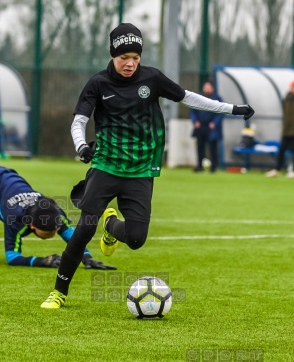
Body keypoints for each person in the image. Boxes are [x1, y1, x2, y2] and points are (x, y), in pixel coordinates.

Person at [40, 23, 254, 309]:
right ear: (113, 55)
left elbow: (187, 97)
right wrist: (81, 146)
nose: (130, 64)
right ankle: (59, 292)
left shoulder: (152, 79)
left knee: (137, 239)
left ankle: (111, 224)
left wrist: (230, 109)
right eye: (123, 58)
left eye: (135, 58)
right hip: (106, 165)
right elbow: (79, 121)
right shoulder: (98, 83)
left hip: (141, 170)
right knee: (83, 230)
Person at [190, 81, 224, 173]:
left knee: (212, 147)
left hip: (211, 127)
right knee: (200, 147)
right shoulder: (198, 98)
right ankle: (199, 166)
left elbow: (221, 113)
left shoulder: (217, 99)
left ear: (212, 88)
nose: (207, 89)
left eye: (209, 87)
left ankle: (213, 167)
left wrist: (214, 123)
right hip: (200, 126)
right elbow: (193, 111)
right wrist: (195, 121)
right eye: (206, 87)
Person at [265, 80, 294, 178]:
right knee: (281, 150)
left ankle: (292, 170)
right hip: (286, 129)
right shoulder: (287, 98)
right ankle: (277, 169)